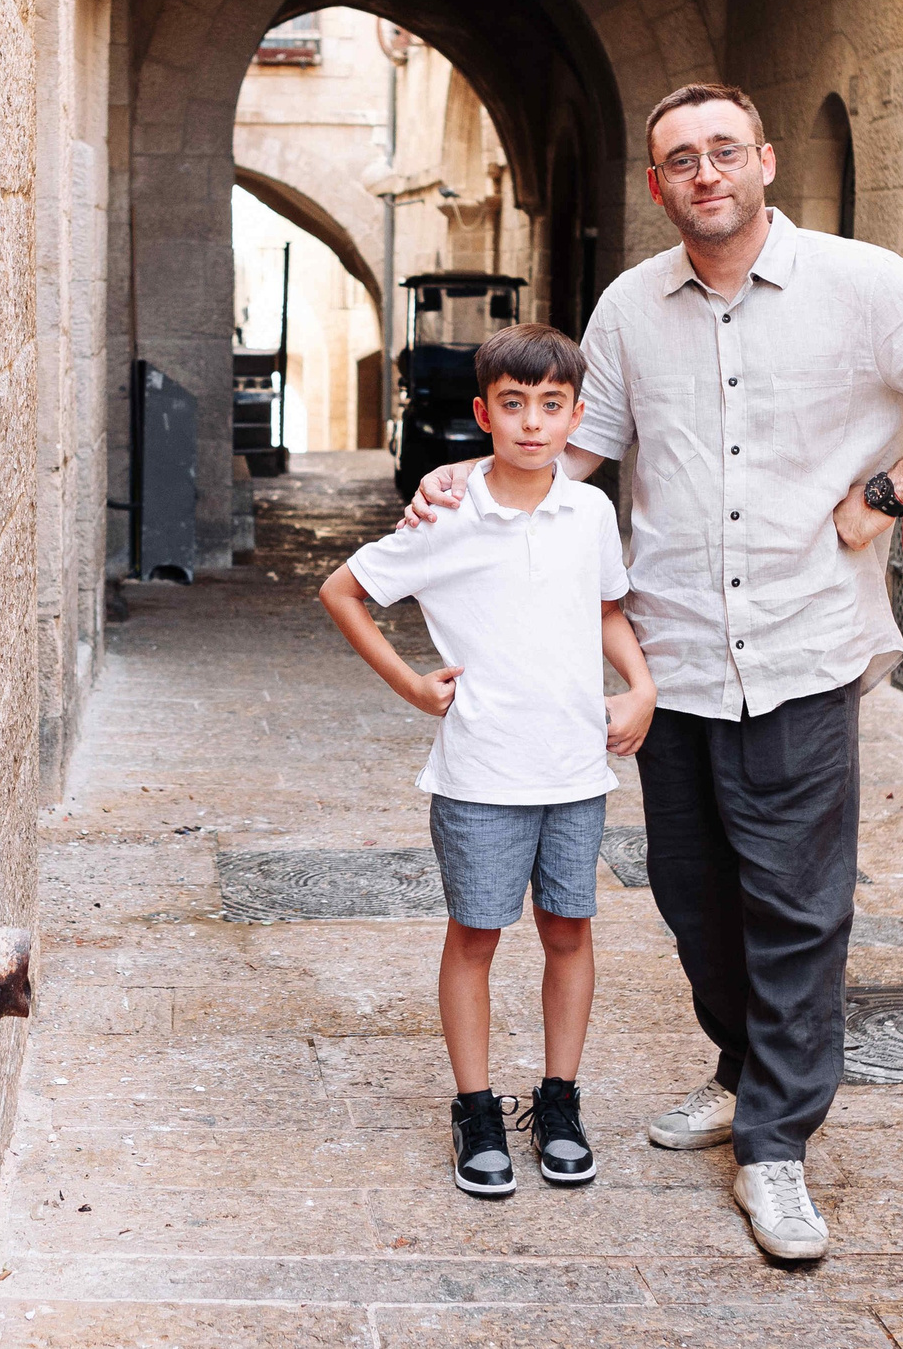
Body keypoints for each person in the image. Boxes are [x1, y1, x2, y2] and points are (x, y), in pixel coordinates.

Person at [401, 83, 903, 1256]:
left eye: (721, 152)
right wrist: (460, 488)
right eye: (678, 161)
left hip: (803, 646)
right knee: (698, 903)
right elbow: (571, 453)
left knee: (797, 910)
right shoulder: (628, 310)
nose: (703, 173)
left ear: (761, 162)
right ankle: (743, 1070)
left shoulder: (861, 283)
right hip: (675, 656)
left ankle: (778, 1146)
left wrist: (894, 488)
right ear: (656, 187)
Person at [318, 322, 658, 1198]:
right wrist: (409, 684)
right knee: (475, 935)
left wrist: (641, 687)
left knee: (569, 930)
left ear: (576, 415)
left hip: (576, 769)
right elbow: (343, 589)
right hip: (480, 773)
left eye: (551, 406)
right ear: (483, 414)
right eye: (514, 405)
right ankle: (475, 1109)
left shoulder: (587, 512)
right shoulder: (447, 516)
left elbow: (609, 609)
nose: (533, 423)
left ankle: (560, 1100)